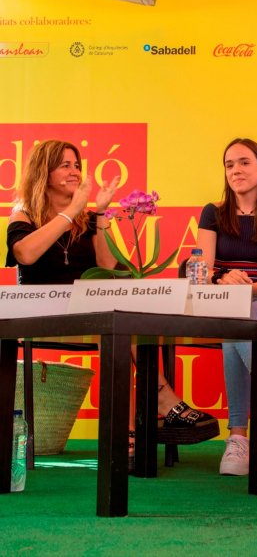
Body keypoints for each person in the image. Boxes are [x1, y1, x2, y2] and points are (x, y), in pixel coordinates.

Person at [5, 140, 219, 471]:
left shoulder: (87, 219)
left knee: (124, 321)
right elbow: (26, 254)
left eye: (77, 165)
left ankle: (128, 430)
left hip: (89, 311)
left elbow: (108, 266)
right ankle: (160, 400)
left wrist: (101, 214)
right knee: (118, 322)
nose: (74, 171)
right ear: (43, 172)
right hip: (43, 312)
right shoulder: (24, 213)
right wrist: (70, 212)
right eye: (65, 165)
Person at [197, 138, 257, 476]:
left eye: (244, 163)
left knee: (236, 321)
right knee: (233, 319)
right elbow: (203, 269)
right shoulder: (213, 212)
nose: (235, 170)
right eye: (229, 165)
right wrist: (222, 277)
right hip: (224, 304)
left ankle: (237, 437)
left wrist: (247, 290)